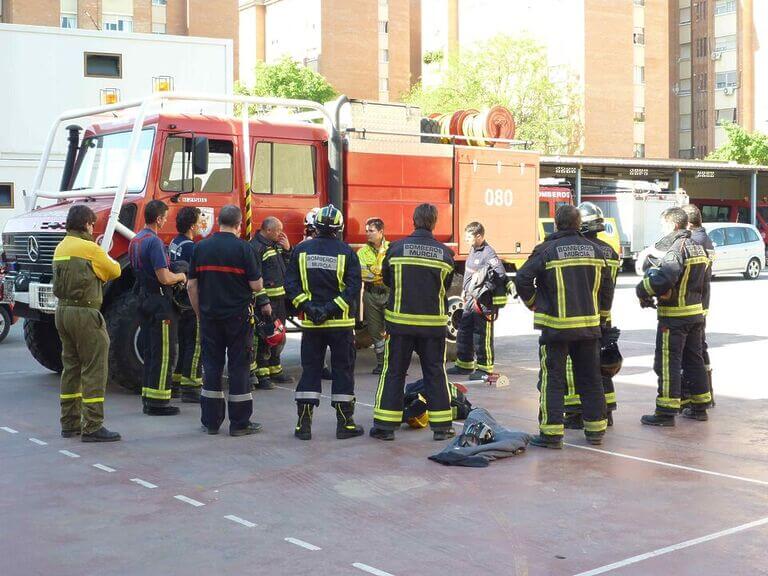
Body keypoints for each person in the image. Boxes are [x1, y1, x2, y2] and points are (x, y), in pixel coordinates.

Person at [515, 205, 613, 449]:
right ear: (579, 224)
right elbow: (607, 288)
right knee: (591, 378)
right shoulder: (595, 250)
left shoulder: (546, 250)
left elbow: (522, 278)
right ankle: (596, 431)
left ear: (556, 224)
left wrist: (533, 302)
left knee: (553, 379)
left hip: (556, 329)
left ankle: (551, 434)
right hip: (589, 328)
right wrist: (602, 318)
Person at [370, 203, 456, 442]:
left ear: (414, 220)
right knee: (435, 373)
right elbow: (445, 286)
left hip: (400, 324)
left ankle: (385, 427)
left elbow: (387, 279)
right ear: (434, 222)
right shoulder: (445, 254)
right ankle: (442, 428)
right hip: (432, 326)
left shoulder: (396, 249)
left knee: (394, 372)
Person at [187, 205, 271, 436]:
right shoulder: (244, 248)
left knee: (211, 367)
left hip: (210, 317)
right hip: (238, 318)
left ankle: (211, 422)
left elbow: (191, 285)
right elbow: (256, 285)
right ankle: (239, 423)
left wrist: (199, 313)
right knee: (239, 368)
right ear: (239, 224)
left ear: (218, 222)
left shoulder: (201, 247)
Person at [285, 204, 364, 441]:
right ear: (339, 228)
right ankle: (345, 424)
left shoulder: (301, 250)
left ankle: (303, 426)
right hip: (340, 325)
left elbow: (291, 285)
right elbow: (353, 288)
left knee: (310, 371)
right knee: (343, 372)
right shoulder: (347, 252)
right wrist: (330, 309)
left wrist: (310, 308)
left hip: (312, 325)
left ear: (315, 226)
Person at [52, 205, 122, 442]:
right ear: (86, 224)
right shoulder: (90, 249)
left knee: (70, 367)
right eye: (92, 224)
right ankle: (92, 425)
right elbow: (115, 270)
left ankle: (69, 423)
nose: (93, 228)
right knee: (94, 368)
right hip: (85, 313)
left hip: (62, 312)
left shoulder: (61, 247)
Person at [636, 207, 711, 426]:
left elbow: (665, 279)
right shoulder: (698, 248)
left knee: (668, 362)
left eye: (663, 225)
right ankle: (699, 407)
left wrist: (642, 289)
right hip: (695, 314)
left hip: (674, 317)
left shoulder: (676, 249)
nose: (662, 229)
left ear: (672, 225)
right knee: (694, 360)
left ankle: (665, 412)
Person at [563, 202, 622, 429]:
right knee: (602, 364)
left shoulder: (583, 249)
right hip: (604, 314)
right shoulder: (610, 251)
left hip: (582, 314)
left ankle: (576, 413)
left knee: (576, 365)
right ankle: (607, 411)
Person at [129, 200, 187, 416]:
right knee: (164, 353)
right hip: (160, 303)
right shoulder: (154, 242)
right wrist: (181, 276)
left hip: (143, 300)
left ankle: (149, 398)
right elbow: (164, 277)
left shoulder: (136, 240)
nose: (165, 221)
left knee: (151, 351)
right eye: (165, 217)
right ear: (159, 218)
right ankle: (159, 403)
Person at [447, 221, 507, 380]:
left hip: (482, 303)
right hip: (469, 300)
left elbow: (500, 274)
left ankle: (484, 369)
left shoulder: (488, 253)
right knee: (464, 332)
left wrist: (486, 289)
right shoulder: (473, 250)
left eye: (469, 237)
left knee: (481, 337)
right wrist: (465, 291)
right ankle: (464, 365)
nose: (466, 239)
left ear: (479, 236)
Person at [249, 216, 293, 390]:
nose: (280, 233)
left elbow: (289, 266)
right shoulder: (256, 248)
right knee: (264, 338)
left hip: (280, 300)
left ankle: (275, 369)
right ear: (268, 230)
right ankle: (263, 374)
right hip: (266, 303)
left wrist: (288, 250)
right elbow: (255, 278)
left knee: (278, 336)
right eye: (277, 230)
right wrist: (263, 302)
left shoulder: (275, 245)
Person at [681, 203, 715, 414]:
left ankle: (695, 398)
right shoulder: (705, 238)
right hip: (702, 301)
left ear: (688, 223)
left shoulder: (695, 241)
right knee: (699, 349)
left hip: (693, 301)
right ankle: (706, 395)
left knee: (693, 352)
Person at [168, 206, 203, 403]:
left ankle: (176, 382)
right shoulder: (192, 247)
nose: (201, 224)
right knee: (195, 344)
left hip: (179, 300)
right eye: (199, 221)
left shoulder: (175, 242)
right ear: (192, 226)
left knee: (183, 342)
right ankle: (191, 387)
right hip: (191, 301)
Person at [357, 217, 390, 374]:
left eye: (371, 231)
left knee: (392, 330)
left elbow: (392, 272)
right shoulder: (362, 252)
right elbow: (363, 274)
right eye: (366, 231)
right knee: (375, 331)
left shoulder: (391, 249)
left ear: (381, 231)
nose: (368, 234)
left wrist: (374, 272)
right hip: (371, 294)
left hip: (389, 293)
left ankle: (393, 364)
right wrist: (380, 274)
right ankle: (381, 363)